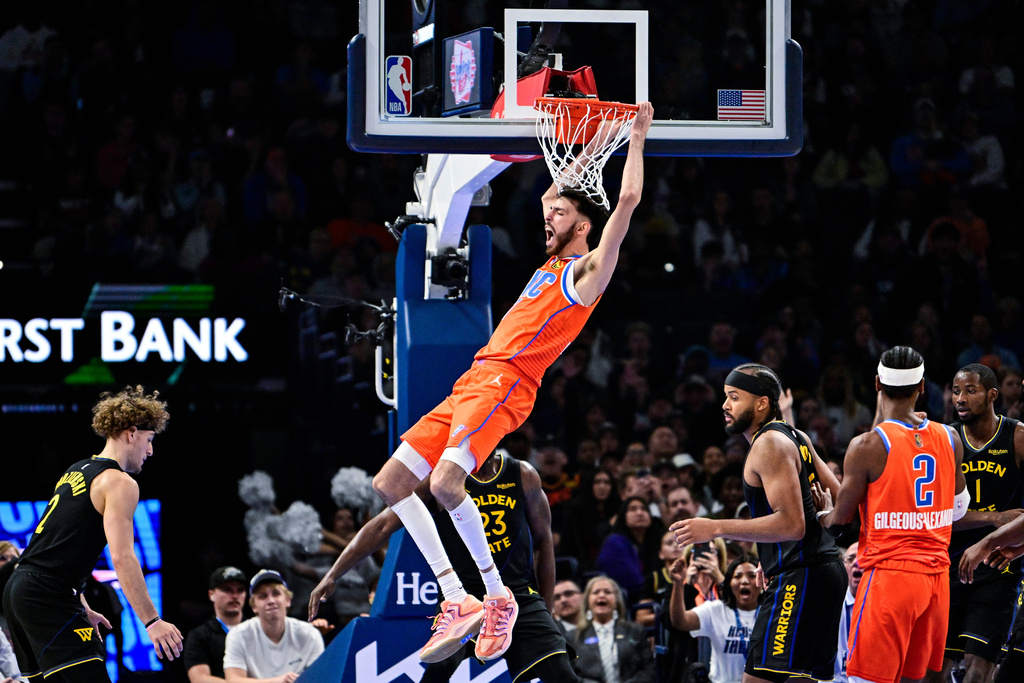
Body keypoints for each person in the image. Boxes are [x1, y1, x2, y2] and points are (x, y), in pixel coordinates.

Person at [369, 102, 654, 663]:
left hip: (508, 381)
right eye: (549, 211)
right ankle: (456, 597)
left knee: (449, 485)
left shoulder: (586, 274)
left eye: (561, 214)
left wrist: (636, 137)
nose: (548, 217)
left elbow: (625, 201)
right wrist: (564, 143)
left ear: (584, 226)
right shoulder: (546, 264)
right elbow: (553, 193)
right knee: (390, 484)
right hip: (473, 377)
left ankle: (496, 596)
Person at [309, 450, 579, 683]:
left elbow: (544, 542)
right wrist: (335, 572)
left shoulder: (522, 474)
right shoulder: (440, 480)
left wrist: (547, 608)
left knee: (562, 674)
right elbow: (382, 525)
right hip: (465, 598)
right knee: (439, 671)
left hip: (517, 594)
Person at [671, 363, 846, 683]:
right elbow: (843, 499)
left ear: (762, 403)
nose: (725, 405)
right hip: (825, 571)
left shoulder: (768, 444)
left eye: (734, 397)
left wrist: (714, 527)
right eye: (725, 397)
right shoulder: (796, 435)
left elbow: (792, 525)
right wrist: (825, 517)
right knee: (804, 679)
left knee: (757, 679)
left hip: (800, 575)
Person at [2, 385, 183, 682]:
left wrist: (82, 604)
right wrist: (152, 621)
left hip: (18, 589)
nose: (150, 451)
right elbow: (122, 557)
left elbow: (59, 546)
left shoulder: (77, 469)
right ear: (132, 433)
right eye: (149, 440)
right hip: (46, 595)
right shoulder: (120, 482)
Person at [815, 346, 969, 683]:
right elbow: (959, 509)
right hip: (936, 579)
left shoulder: (867, 446)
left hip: (890, 576)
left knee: (866, 679)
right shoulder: (950, 437)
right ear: (923, 387)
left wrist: (822, 513)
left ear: (876, 385)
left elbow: (840, 520)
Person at [935, 363, 1024, 683]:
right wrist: (995, 517)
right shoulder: (945, 440)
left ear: (992, 395)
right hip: (949, 565)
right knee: (935, 670)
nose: (960, 398)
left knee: (978, 668)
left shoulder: (1017, 436)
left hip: (1000, 568)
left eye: (970, 391)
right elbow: (936, 517)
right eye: (957, 391)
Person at [669, 554, 760, 683]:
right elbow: (680, 621)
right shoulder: (715, 610)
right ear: (729, 583)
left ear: (762, 581)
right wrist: (678, 584)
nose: (744, 581)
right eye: (737, 576)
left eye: (752, 575)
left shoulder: (772, 613)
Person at [223, 570, 324, 682]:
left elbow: (320, 678)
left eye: (276, 594)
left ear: (288, 600)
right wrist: (278, 681)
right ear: (254, 606)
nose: (271, 601)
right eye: (263, 596)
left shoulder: (310, 634)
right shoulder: (238, 635)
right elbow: (233, 680)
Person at [569, 576, 656, 683]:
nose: (601, 595)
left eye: (608, 592)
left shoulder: (635, 630)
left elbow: (648, 669)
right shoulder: (573, 636)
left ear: (617, 600)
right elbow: (569, 674)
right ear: (587, 601)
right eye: (596, 592)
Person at [183, 566, 248, 683]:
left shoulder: (257, 630)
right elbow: (199, 678)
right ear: (211, 595)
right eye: (227, 590)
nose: (235, 595)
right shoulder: (199, 636)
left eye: (240, 590)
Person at [835, 543, 862, 683]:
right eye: (850, 559)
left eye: (864, 558)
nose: (856, 563)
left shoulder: (884, 606)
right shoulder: (830, 603)